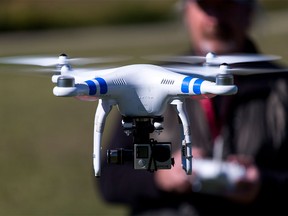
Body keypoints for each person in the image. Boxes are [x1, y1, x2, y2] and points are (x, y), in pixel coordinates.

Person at [97, 0, 288, 215]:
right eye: (206, 7)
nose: (214, 19)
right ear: (186, 12)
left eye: (225, 6)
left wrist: (263, 185)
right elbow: (110, 178)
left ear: (249, 11)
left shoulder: (281, 88)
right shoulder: (151, 84)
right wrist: (160, 176)